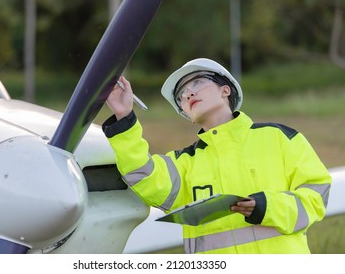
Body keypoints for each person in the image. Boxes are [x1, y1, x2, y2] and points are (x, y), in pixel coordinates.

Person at [102, 58, 332, 254]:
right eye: (181, 95)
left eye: (198, 82)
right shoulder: (183, 164)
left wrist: (267, 206)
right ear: (186, 114)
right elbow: (143, 176)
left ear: (225, 90)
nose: (188, 93)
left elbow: (316, 197)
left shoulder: (280, 138)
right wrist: (125, 117)